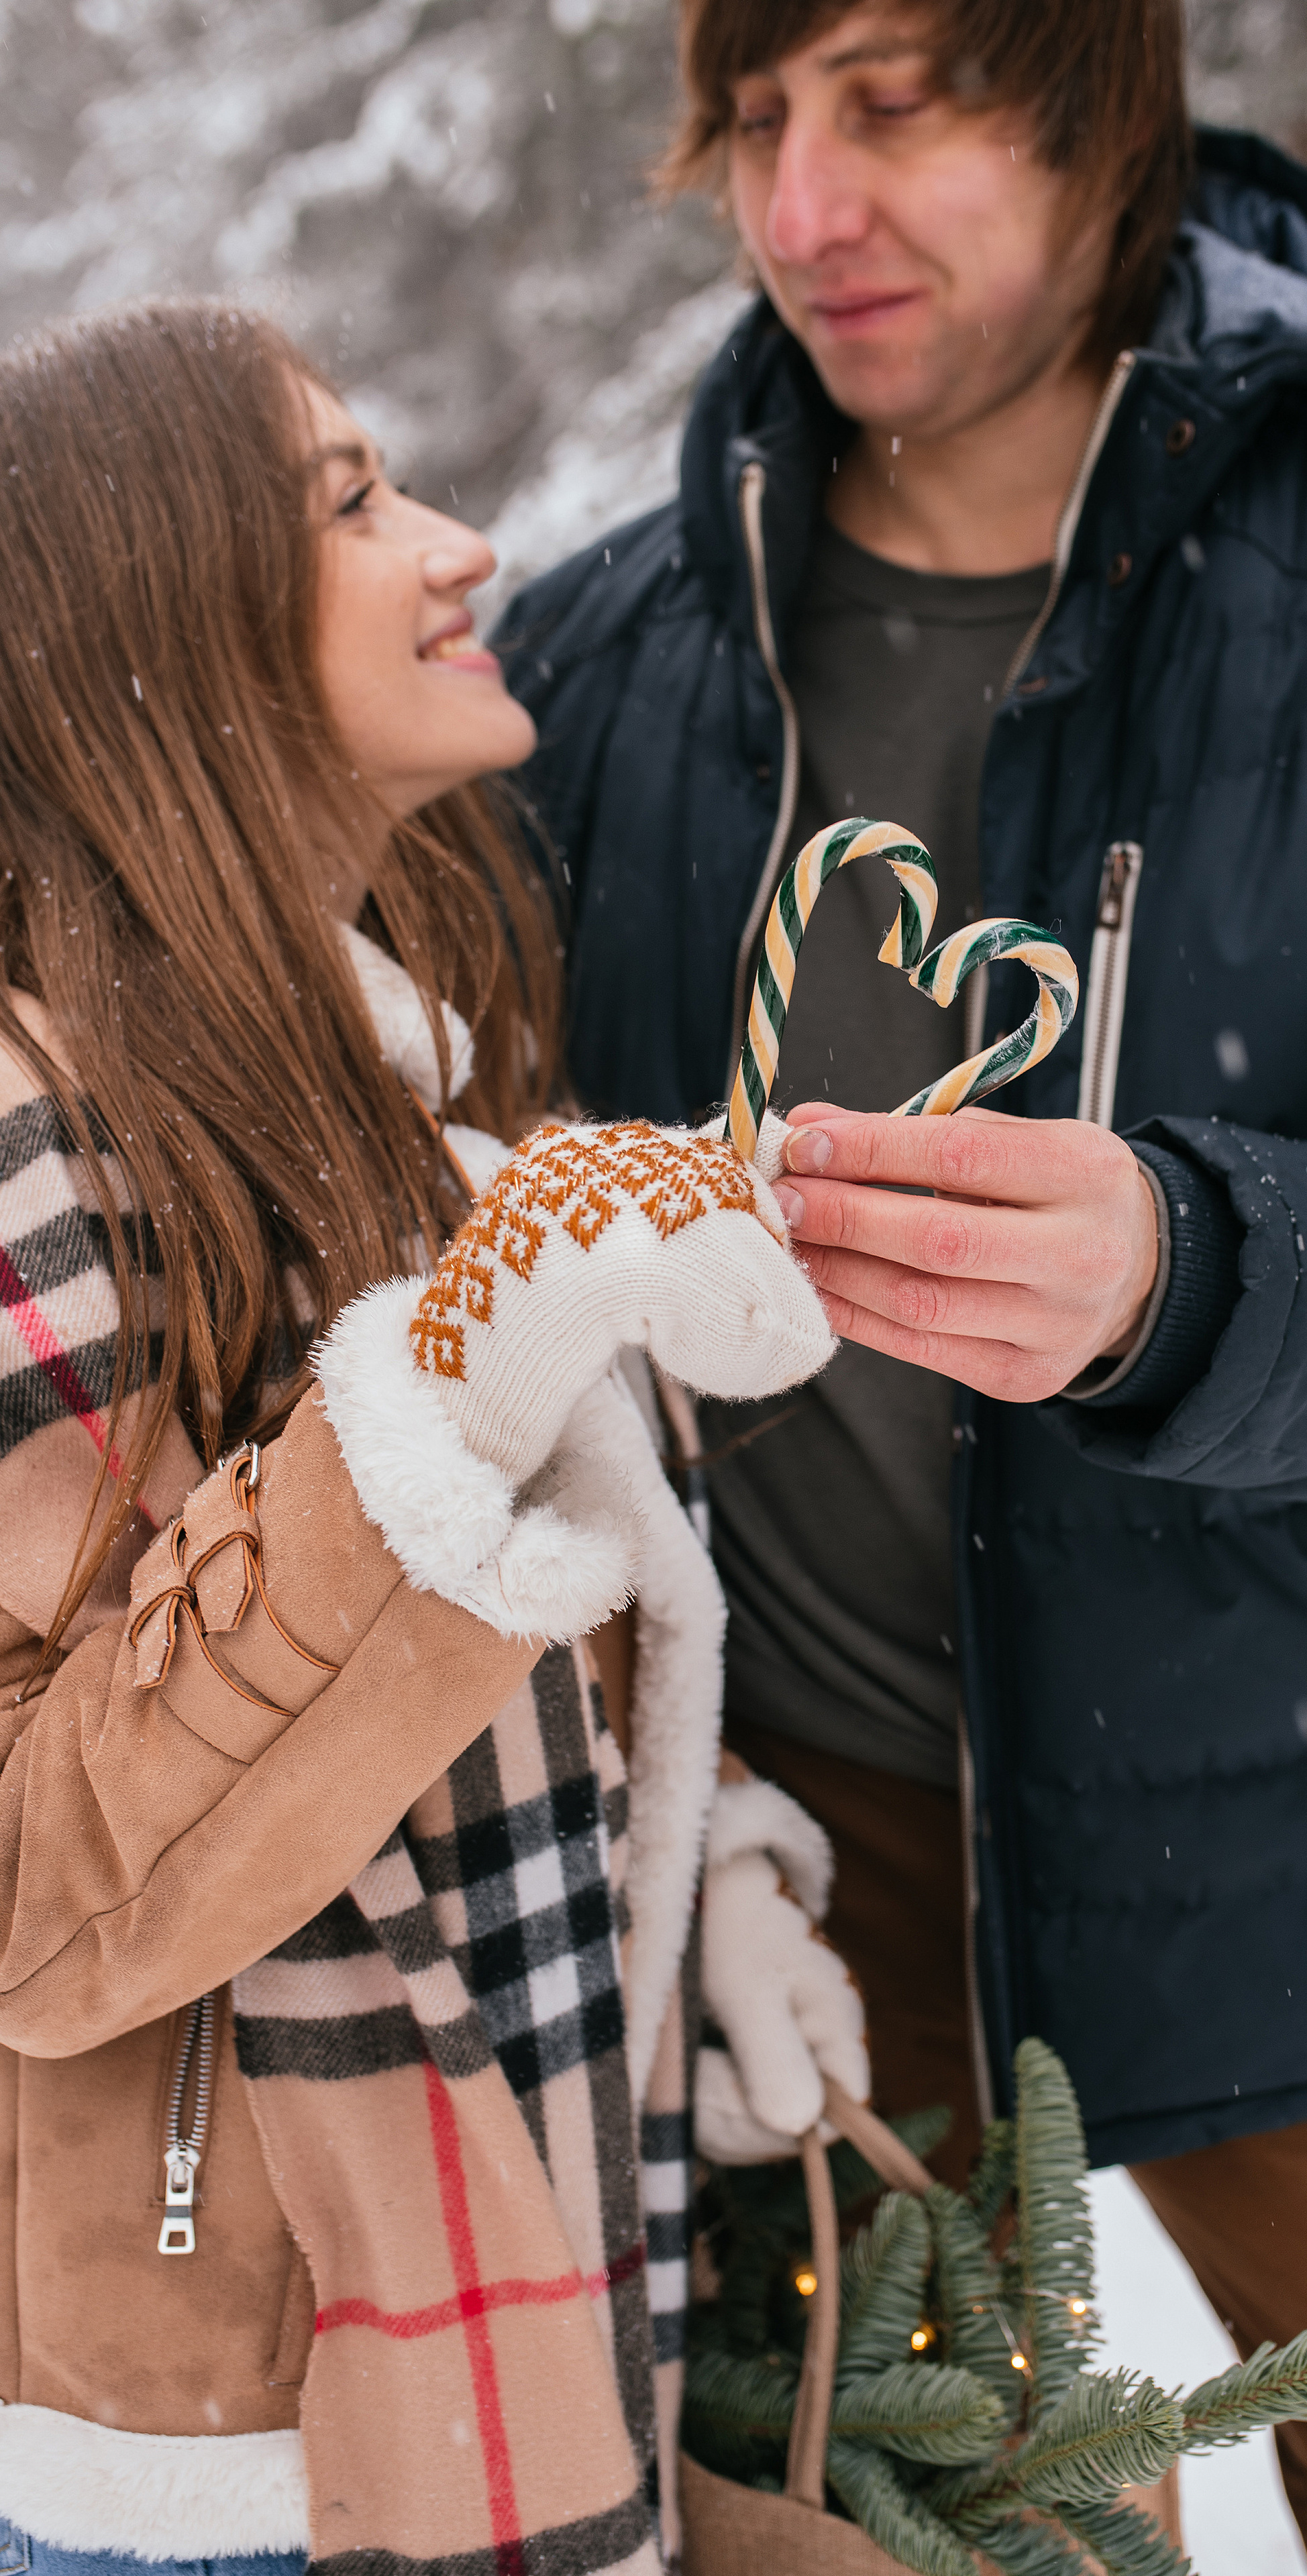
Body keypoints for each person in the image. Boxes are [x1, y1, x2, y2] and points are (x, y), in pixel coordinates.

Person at [498, 2, 1307, 2568]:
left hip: (1304, 1858)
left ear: (1100, 99)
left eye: (900, 100)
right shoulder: (608, 671)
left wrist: (1192, 1265)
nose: (804, 207)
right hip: (787, 1903)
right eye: (761, 120)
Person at [0, 301, 843, 2575]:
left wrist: (711, 1873)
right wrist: (458, 1376)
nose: (462, 546)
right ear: (159, 621)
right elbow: (30, 1888)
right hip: (221, 2475)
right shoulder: (32, 1145)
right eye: (354, 502)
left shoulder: (414, 1080)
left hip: (515, 2320)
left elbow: (480, 1684)